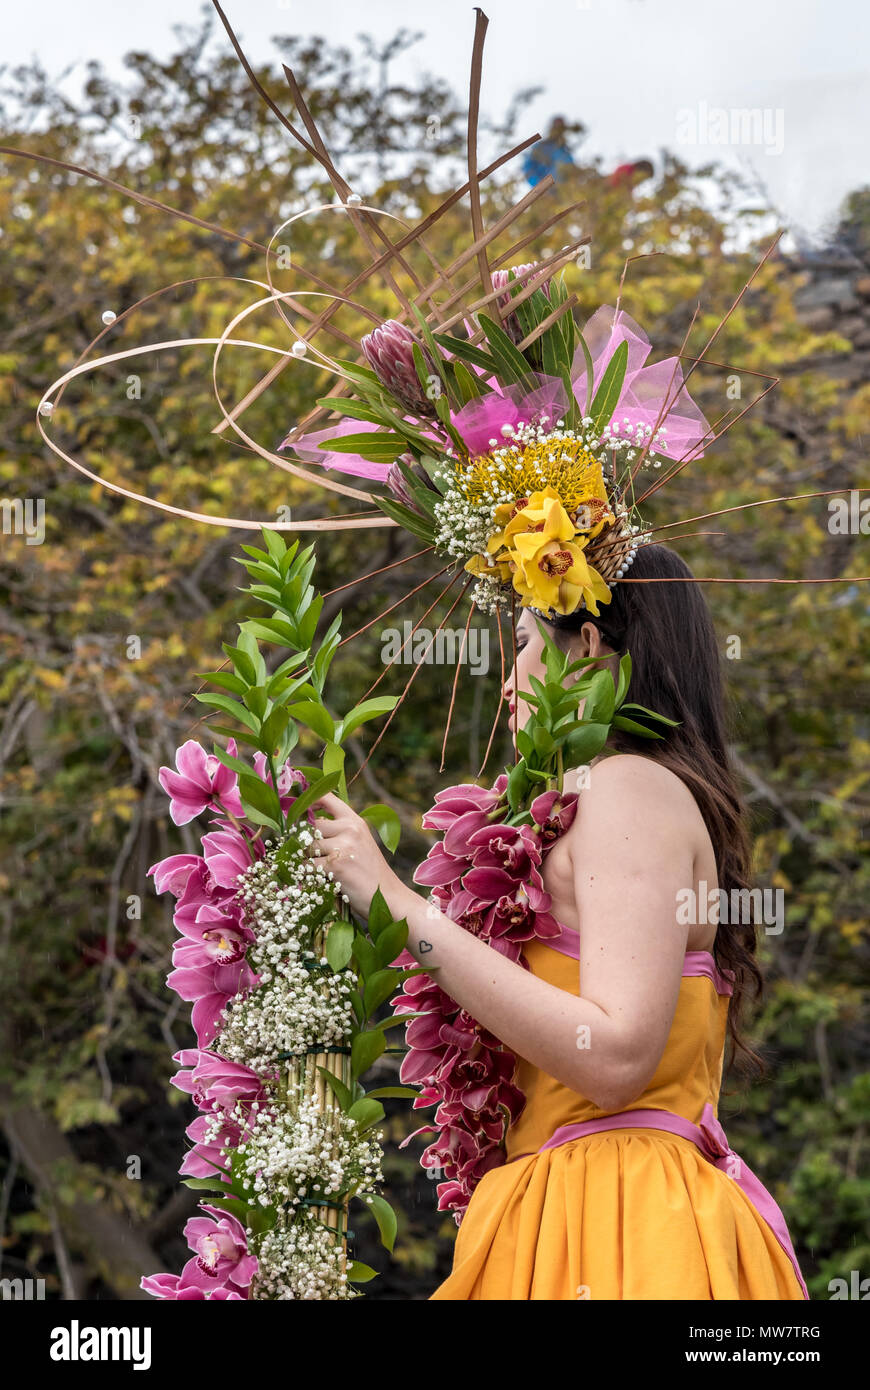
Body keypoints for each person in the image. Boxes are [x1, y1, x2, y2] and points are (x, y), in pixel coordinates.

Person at [307, 542, 809, 1300]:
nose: (506, 681)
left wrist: (399, 904)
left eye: (518, 647)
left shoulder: (629, 788)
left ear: (586, 644)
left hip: (624, 1226)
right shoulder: (601, 798)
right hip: (566, 1211)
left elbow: (613, 1057)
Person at [522, 116, 580, 187]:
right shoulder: (540, 147)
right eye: (556, 128)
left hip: (562, 193)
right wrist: (539, 186)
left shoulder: (565, 152)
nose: (558, 132)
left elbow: (571, 173)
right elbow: (528, 169)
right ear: (551, 128)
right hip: (542, 192)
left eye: (561, 129)